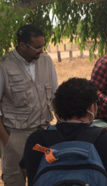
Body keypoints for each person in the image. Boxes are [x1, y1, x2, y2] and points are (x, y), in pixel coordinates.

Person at [20, 78, 107, 186]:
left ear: (55, 107)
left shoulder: (36, 140)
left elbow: (30, 174)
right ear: (92, 108)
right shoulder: (106, 138)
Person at [0, 24, 58, 186]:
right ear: (22, 45)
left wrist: (61, 127)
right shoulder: (3, 65)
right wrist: (7, 141)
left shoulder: (46, 61)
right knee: (14, 180)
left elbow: (55, 95)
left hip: (43, 132)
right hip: (15, 135)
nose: (42, 50)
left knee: (43, 178)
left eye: (43, 46)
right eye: (37, 47)